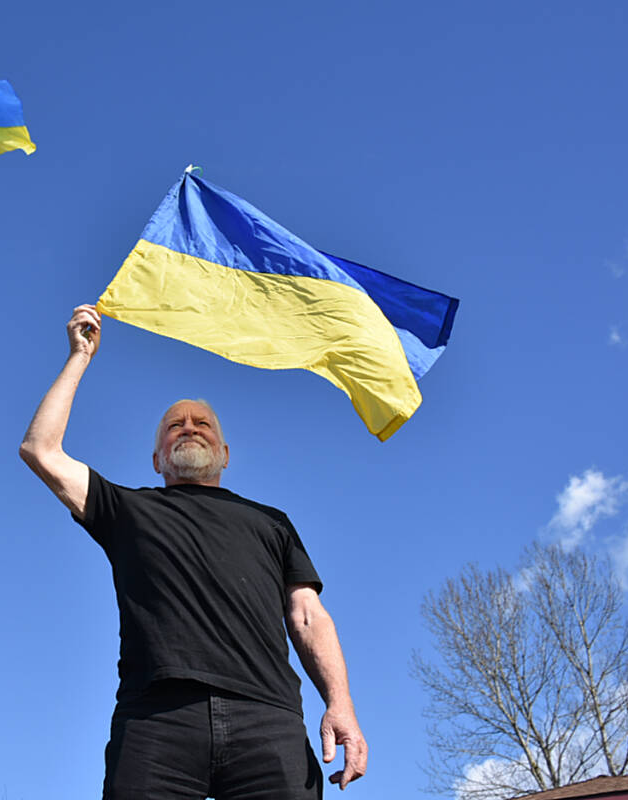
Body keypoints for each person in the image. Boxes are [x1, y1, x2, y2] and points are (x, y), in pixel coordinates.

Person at [20, 304, 368, 799]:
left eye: (202, 423)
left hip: (267, 717)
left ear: (224, 454)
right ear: (158, 458)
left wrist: (341, 704)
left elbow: (309, 616)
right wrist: (80, 356)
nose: (188, 426)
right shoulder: (127, 509)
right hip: (157, 719)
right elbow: (41, 450)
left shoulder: (271, 523)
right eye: (174, 425)